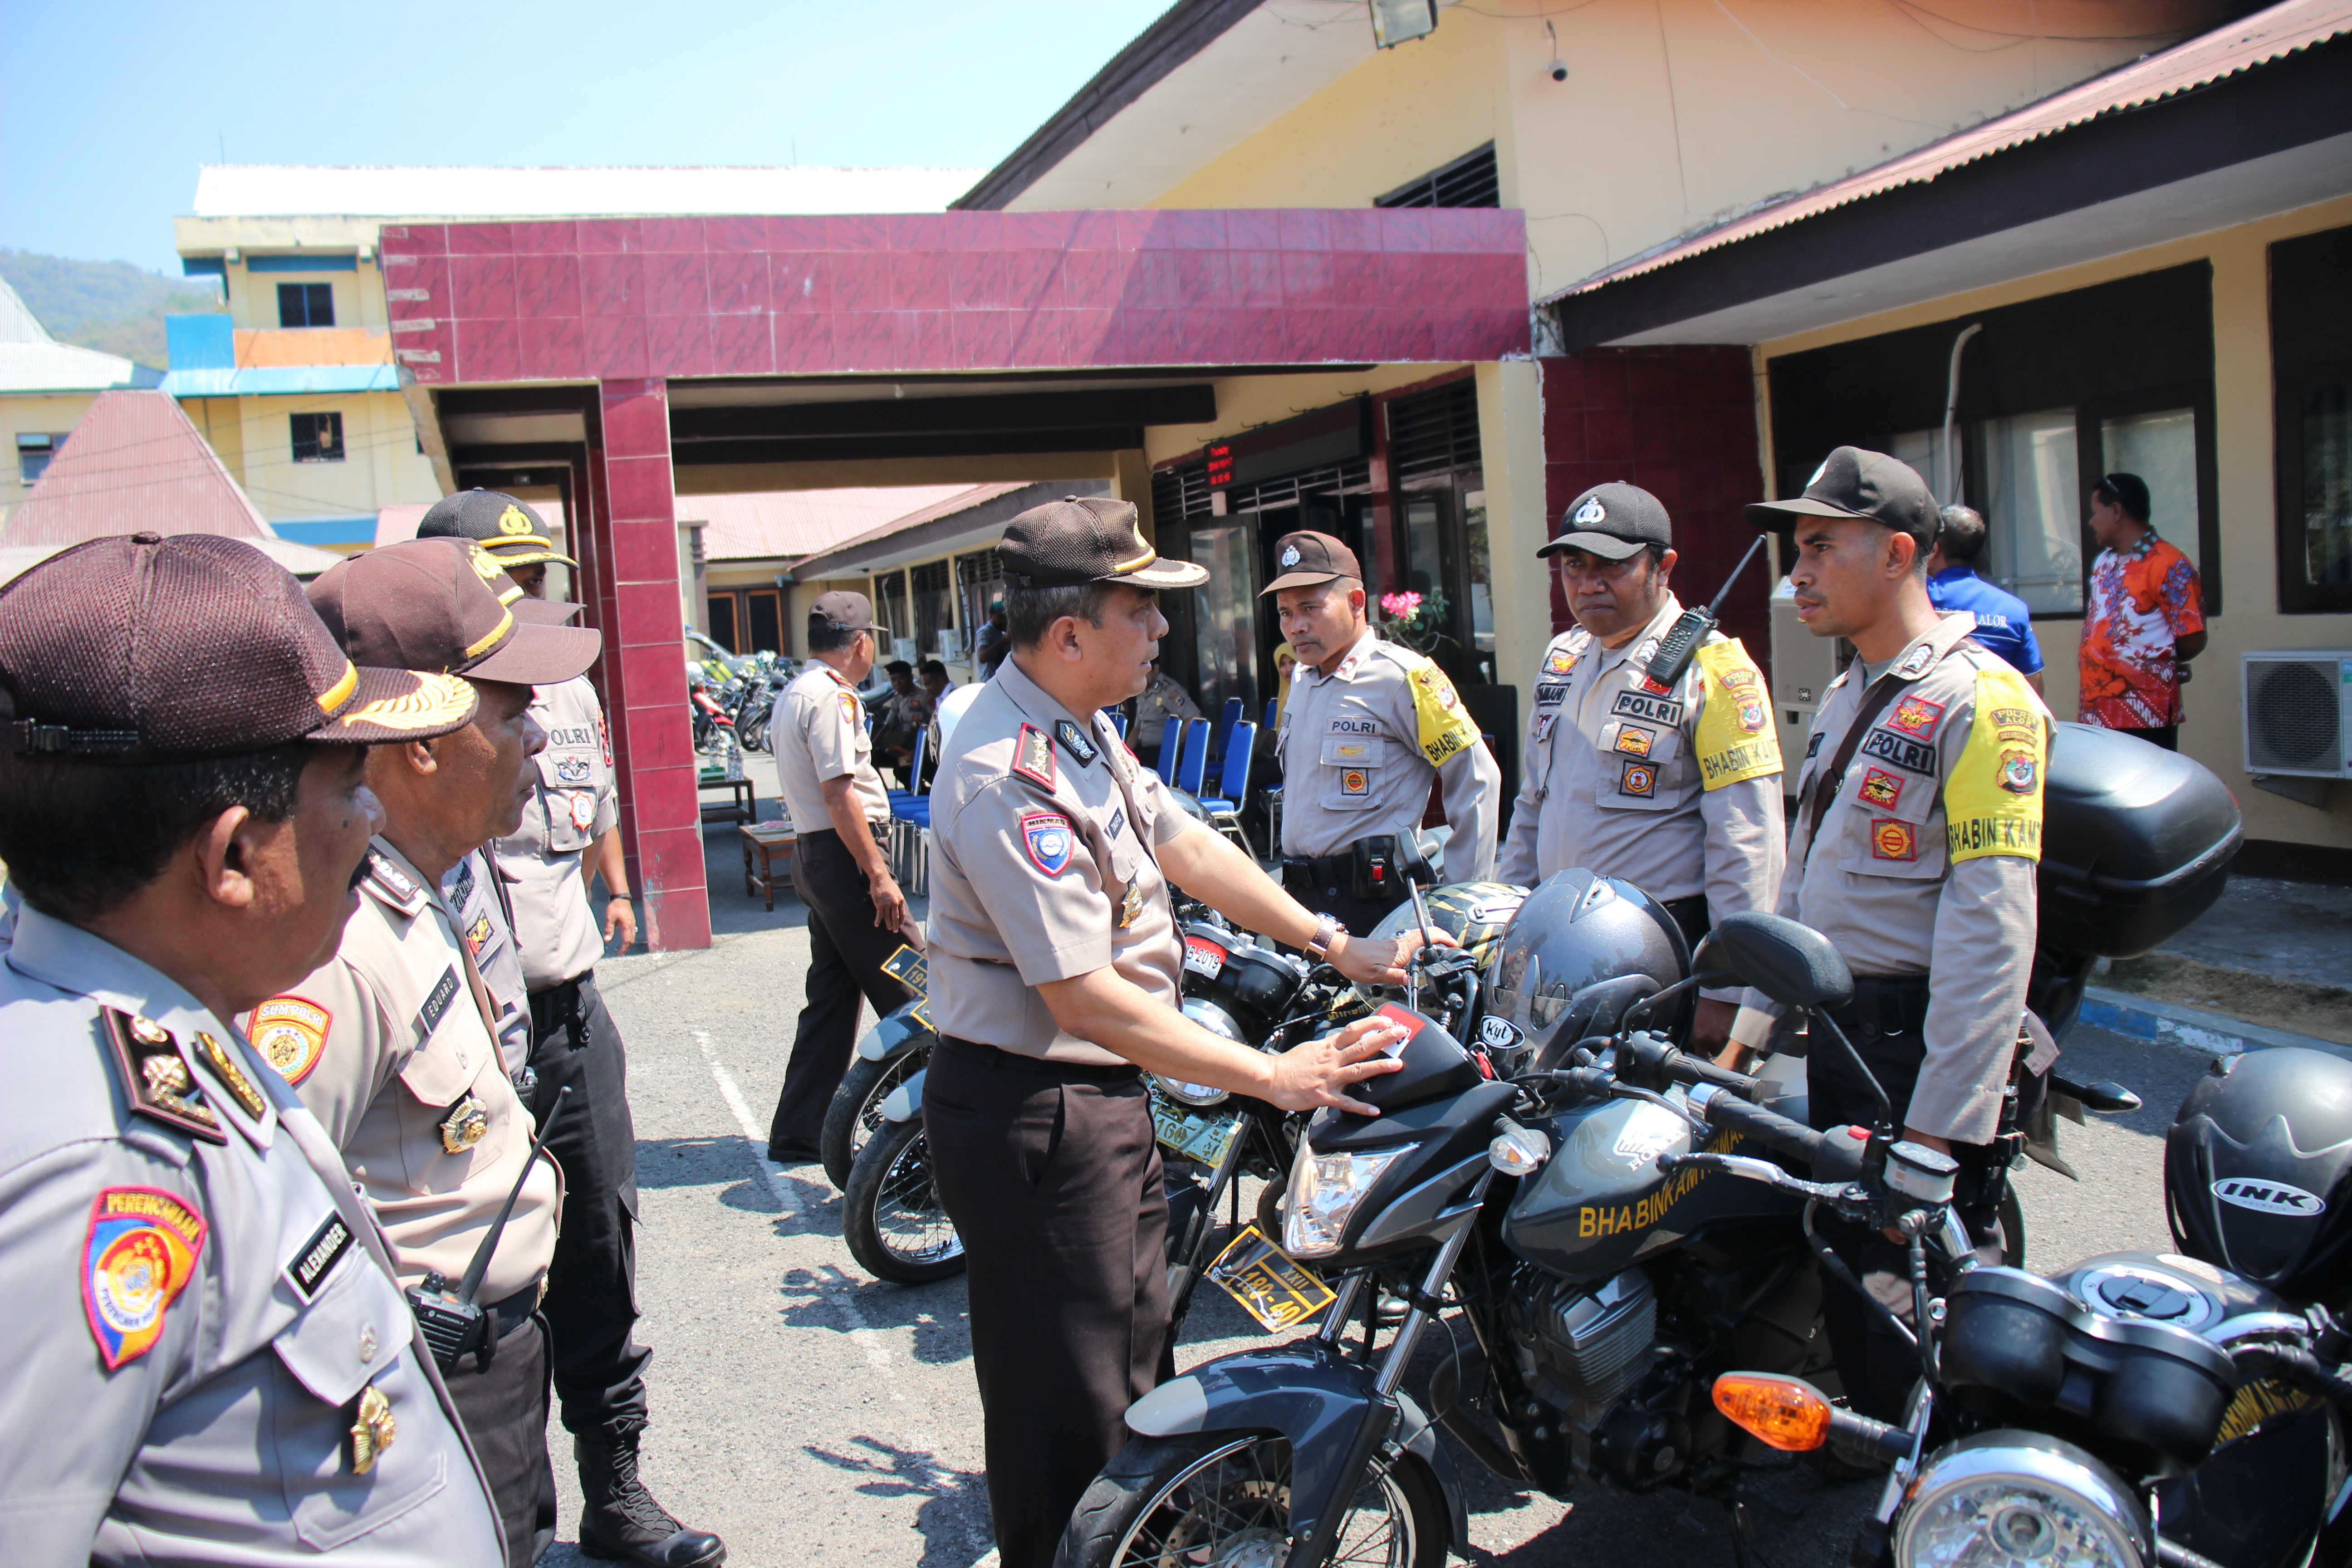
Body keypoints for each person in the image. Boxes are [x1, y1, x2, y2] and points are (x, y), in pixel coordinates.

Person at [921, 493, 1445, 1568]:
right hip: (1041, 1109)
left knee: (1122, 1364)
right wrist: (1272, 1072)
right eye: (1142, 611)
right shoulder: (1004, 773)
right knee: (1074, 1412)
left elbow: (1177, 838)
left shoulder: (1075, 721)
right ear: (1070, 633)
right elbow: (1084, 997)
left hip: (1082, 1103)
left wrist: (1325, 939)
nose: (1162, 632)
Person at [0, 531, 506, 1563]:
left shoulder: (168, 1033)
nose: (371, 820)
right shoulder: (92, 1174)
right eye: (343, 789)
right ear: (233, 853)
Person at [255, 538, 603, 1567]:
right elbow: (275, 1227)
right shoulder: (334, 948)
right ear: (419, 741)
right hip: (419, 1377)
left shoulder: (447, 873)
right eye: (508, 715)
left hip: (496, 1349)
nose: (537, 738)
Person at [418, 494, 727, 1568]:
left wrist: (616, 883)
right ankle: (507, 1526)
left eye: (534, 575)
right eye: (505, 574)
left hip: (564, 1013)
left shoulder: (560, 682)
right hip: (450, 1040)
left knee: (598, 1250)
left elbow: (592, 807)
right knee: (479, 1289)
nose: (528, 594)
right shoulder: (416, 698)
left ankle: (616, 1488)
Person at [1728, 447, 2050, 1418]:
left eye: (1822, 548)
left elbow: (1992, 932)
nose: (1799, 573)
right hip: (1840, 1038)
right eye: (1797, 550)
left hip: (1911, 1049)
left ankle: (1952, 1492)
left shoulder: (1982, 703)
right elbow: (1806, 873)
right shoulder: (1849, 692)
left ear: (1901, 553)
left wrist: (1938, 1130)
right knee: (1846, 1270)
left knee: (1918, 1302)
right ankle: (1868, 1461)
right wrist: (1748, 1027)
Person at [1494, 482, 1784, 1055]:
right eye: (1574, 566)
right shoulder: (1562, 660)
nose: (1588, 584)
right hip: (1556, 944)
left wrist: (1728, 990)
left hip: (1658, 952)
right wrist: (1504, 924)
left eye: (1613, 566)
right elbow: (1533, 805)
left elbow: (1747, 844)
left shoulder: (1715, 670)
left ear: (1664, 567)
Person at [1269, 530, 1501, 929]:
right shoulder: (1304, 680)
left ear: (1356, 602)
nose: (1296, 627)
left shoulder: (1405, 677)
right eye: (1286, 613)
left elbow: (1478, 779)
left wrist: (1463, 902)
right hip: (1301, 898)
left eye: (1310, 608)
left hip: (1374, 905)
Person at [766, 591, 919, 1165]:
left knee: (830, 1000)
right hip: (849, 858)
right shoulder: (832, 698)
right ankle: (926, 1141)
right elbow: (840, 792)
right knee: (918, 990)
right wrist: (879, 875)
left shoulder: (796, 690)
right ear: (861, 642)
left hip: (817, 855)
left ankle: (801, 1126)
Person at [2078, 470, 2205, 750]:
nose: (2091, 521)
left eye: (2095, 513)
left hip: (2146, 715)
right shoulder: (2104, 561)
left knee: (2146, 791)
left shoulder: (2169, 563)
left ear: (2116, 511)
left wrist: (2156, 661)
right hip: (2098, 711)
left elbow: (2193, 637)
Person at [1925, 503, 2045, 693]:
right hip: (1994, 718)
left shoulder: (1918, 599)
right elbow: (2033, 683)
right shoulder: (2015, 609)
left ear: (1934, 550)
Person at [1128, 656, 1202, 770]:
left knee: (1137, 768)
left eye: (1145, 669)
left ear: (1156, 669)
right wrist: (1126, 753)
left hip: (1165, 752)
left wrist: (1172, 744)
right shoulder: (1143, 690)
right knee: (1126, 764)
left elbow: (1195, 717)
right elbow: (1137, 728)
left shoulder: (1169, 691)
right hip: (1146, 750)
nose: (1141, 674)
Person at [873, 660, 921, 787]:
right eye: (893, 680)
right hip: (899, 748)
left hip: (917, 750)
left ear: (911, 678)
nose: (897, 684)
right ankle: (884, 793)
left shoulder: (924, 698)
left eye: (901, 679)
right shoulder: (897, 699)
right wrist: (872, 747)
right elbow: (888, 725)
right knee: (871, 758)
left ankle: (920, 792)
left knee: (901, 770)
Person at [974, 599, 1010, 678]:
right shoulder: (985, 632)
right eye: (1001, 617)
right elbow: (982, 657)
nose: (1005, 621)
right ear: (991, 616)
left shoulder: (1001, 632)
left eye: (1006, 617)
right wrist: (1004, 641)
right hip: (989, 680)